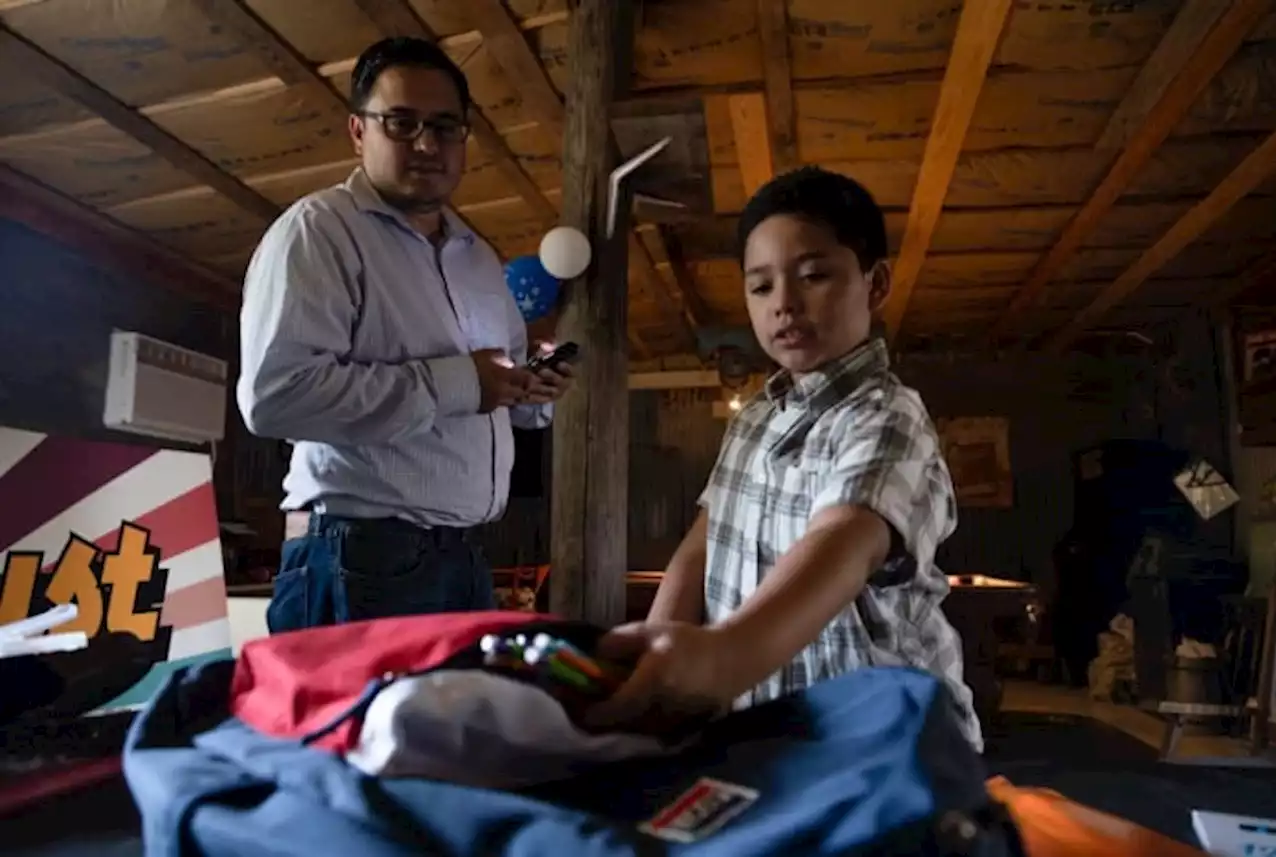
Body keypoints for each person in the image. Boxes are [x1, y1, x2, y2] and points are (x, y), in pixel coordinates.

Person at [586, 166, 982, 750]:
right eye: (761, 286)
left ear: (875, 285)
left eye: (815, 275)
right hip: (768, 733)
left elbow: (843, 542)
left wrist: (724, 656)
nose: (785, 305)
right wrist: (660, 637)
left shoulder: (887, 415)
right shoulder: (753, 418)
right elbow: (704, 538)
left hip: (885, 740)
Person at [236, 37, 574, 632]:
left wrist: (534, 392)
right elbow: (276, 397)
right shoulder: (319, 232)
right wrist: (461, 384)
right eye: (401, 122)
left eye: (446, 126)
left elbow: (498, 392)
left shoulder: (478, 258)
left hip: (463, 554)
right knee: (358, 730)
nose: (426, 143)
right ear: (358, 131)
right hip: (358, 555)